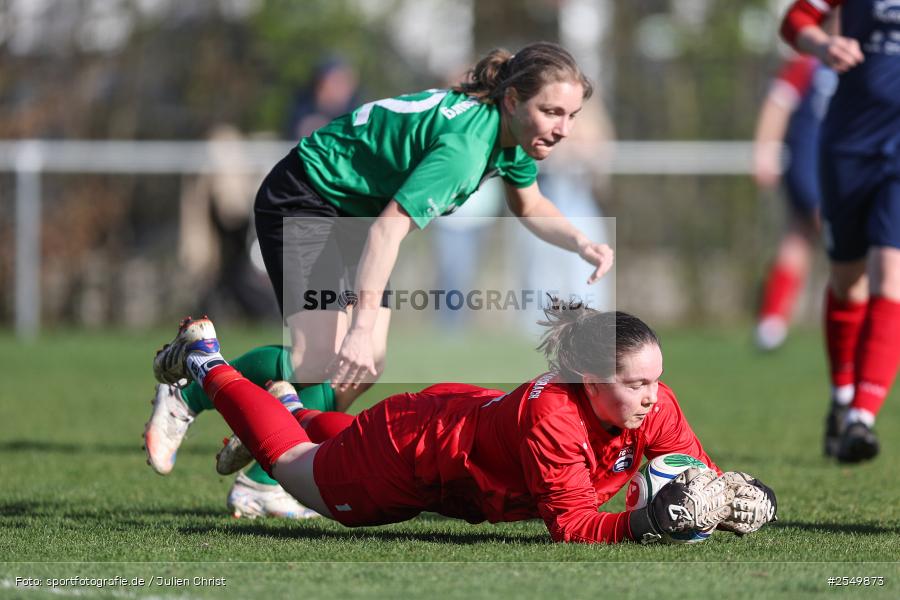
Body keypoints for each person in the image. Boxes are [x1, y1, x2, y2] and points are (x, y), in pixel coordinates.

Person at [143, 42, 615, 514]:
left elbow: (529, 205)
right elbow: (390, 228)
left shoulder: (505, 132)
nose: (563, 129)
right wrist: (361, 325)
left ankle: (264, 477)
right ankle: (195, 386)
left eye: (571, 115)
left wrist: (581, 241)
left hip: (356, 217)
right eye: (552, 112)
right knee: (320, 358)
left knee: (360, 368)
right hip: (309, 198)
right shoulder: (467, 148)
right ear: (512, 100)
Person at [151, 303, 777, 544]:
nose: (652, 396)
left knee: (314, 446)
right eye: (635, 383)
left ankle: (289, 407)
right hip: (413, 453)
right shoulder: (555, 417)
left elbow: (694, 472)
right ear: (589, 380)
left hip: (450, 424)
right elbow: (575, 527)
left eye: (654, 380)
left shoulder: (652, 404)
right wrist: (644, 524)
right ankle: (206, 363)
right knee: (298, 474)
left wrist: (729, 497)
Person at [781, 0, 900, 462]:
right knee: (849, 284)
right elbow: (795, 21)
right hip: (847, 144)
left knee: (890, 275)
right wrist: (824, 43)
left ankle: (861, 418)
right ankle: (842, 397)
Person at [752, 54, 836, 350]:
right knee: (844, 239)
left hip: (848, 163)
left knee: (799, 237)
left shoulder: (874, 56)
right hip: (809, 164)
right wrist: (765, 148)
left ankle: (771, 322)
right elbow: (777, 104)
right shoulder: (809, 64)